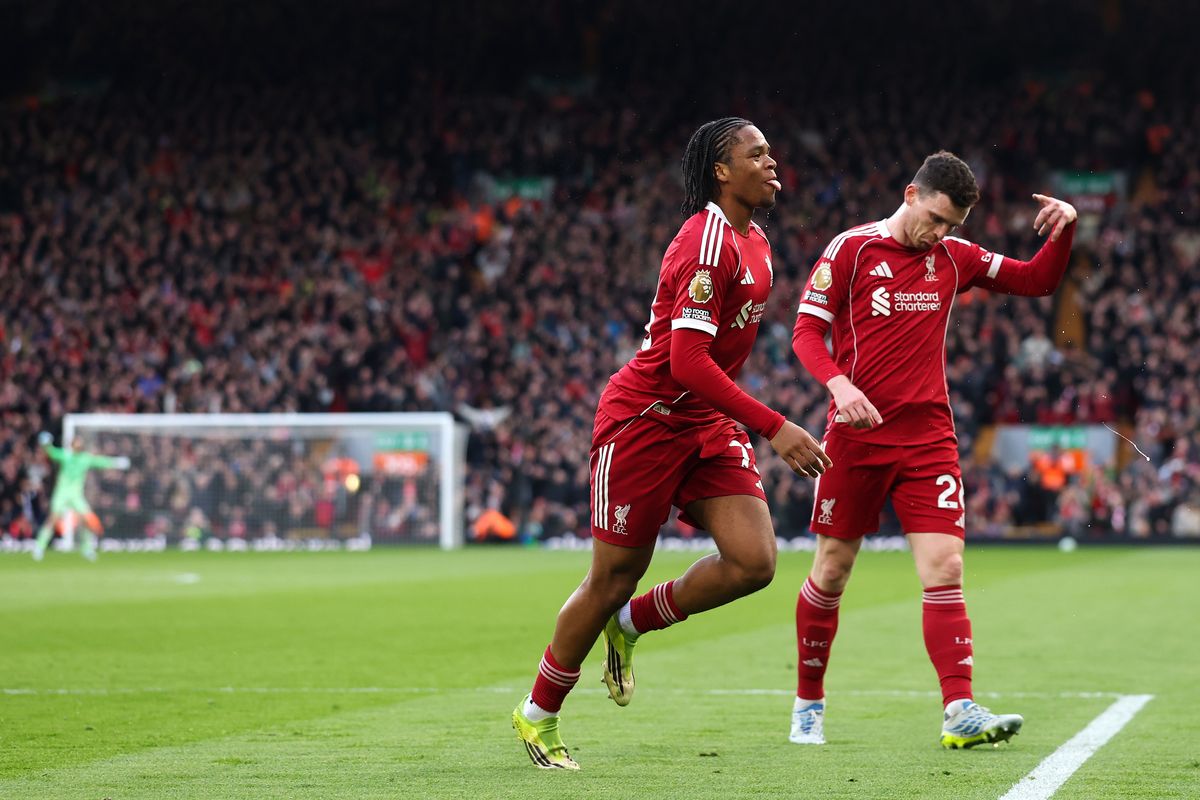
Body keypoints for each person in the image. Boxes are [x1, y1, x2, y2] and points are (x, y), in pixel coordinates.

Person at [511, 117, 831, 769]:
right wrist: (774, 425)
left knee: (754, 562)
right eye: (757, 153)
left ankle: (631, 625)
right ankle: (537, 713)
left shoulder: (759, 243)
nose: (773, 162)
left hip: (703, 425)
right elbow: (685, 362)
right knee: (610, 577)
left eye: (772, 151)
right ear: (721, 170)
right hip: (645, 423)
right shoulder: (704, 242)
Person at [789, 151, 1077, 749]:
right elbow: (804, 332)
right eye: (938, 219)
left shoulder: (953, 257)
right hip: (858, 437)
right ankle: (809, 701)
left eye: (953, 226)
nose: (941, 234)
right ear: (911, 194)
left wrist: (1067, 227)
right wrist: (839, 386)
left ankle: (959, 709)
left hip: (928, 439)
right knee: (832, 571)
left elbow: (1037, 280)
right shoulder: (852, 250)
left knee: (945, 569)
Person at [32, 433, 131, 561]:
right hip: (62, 493)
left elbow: (100, 462)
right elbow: (52, 452)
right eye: (76, 442)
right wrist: (46, 444)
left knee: (87, 520)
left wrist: (117, 463)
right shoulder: (66, 456)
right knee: (53, 519)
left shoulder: (85, 458)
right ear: (72, 445)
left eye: (80, 442)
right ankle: (39, 546)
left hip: (76, 495)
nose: (78, 445)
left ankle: (87, 548)